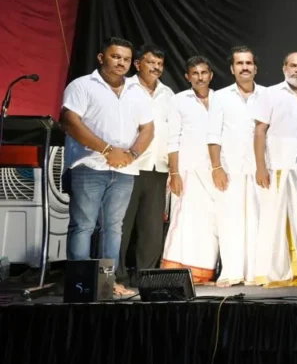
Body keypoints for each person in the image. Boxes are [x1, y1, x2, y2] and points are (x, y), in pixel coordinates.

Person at [61, 36, 154, 297]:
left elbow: (148, 128)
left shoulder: (137, 91)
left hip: (124, 170)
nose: (121, 62)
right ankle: (80, 286)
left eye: (126, 59)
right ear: (102, 58)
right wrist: (107, 150)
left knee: (113, 228)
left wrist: (132, 154)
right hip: (89, 166)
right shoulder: (82, 85)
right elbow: (70, 121)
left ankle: (107, 284)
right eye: (115, 57)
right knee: (83, 225)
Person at [252, 52, 297, 287]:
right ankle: (279, 273)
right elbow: (260, 131)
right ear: (284, 68)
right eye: (293, 66)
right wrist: (260, 166)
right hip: (279, 167)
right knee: (277, 220)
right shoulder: (271, 94)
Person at [207, 46, 266, 286]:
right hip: (229, 168)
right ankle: (231, 272)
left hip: (260, 169)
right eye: (239, 63)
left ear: (255, 68)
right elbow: (213, 135)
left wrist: (265, 167)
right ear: (232, 69)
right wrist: (216, 168)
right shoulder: (220, 97)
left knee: (258, 221)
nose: (244, 67)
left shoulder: (267, 96)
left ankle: (256, 272)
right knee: (229, 221)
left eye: (248, 63)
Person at [118, 44, 173, 285]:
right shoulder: (124, 88)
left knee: (152, 228)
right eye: (151, 62)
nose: (156, 68)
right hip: (128, 167)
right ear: (138, 64)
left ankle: (146, 278)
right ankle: (116, 277)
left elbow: (173, 132)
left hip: (158, 168)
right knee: (121, 225)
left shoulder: (168, 94)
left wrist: (173, 168)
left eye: (160, 64)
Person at [161, 56, 219, 283]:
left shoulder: (221, 99)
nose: (200, 77)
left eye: (204, 73)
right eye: (195, 73)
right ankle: (177, 272)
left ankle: (204, 272)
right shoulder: (179, 101)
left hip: (214, 171)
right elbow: (172, 139)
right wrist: (174, 173)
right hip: (187, 170)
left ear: (211, 75)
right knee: (184, 220)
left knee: (211, 222)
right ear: (187, 77)